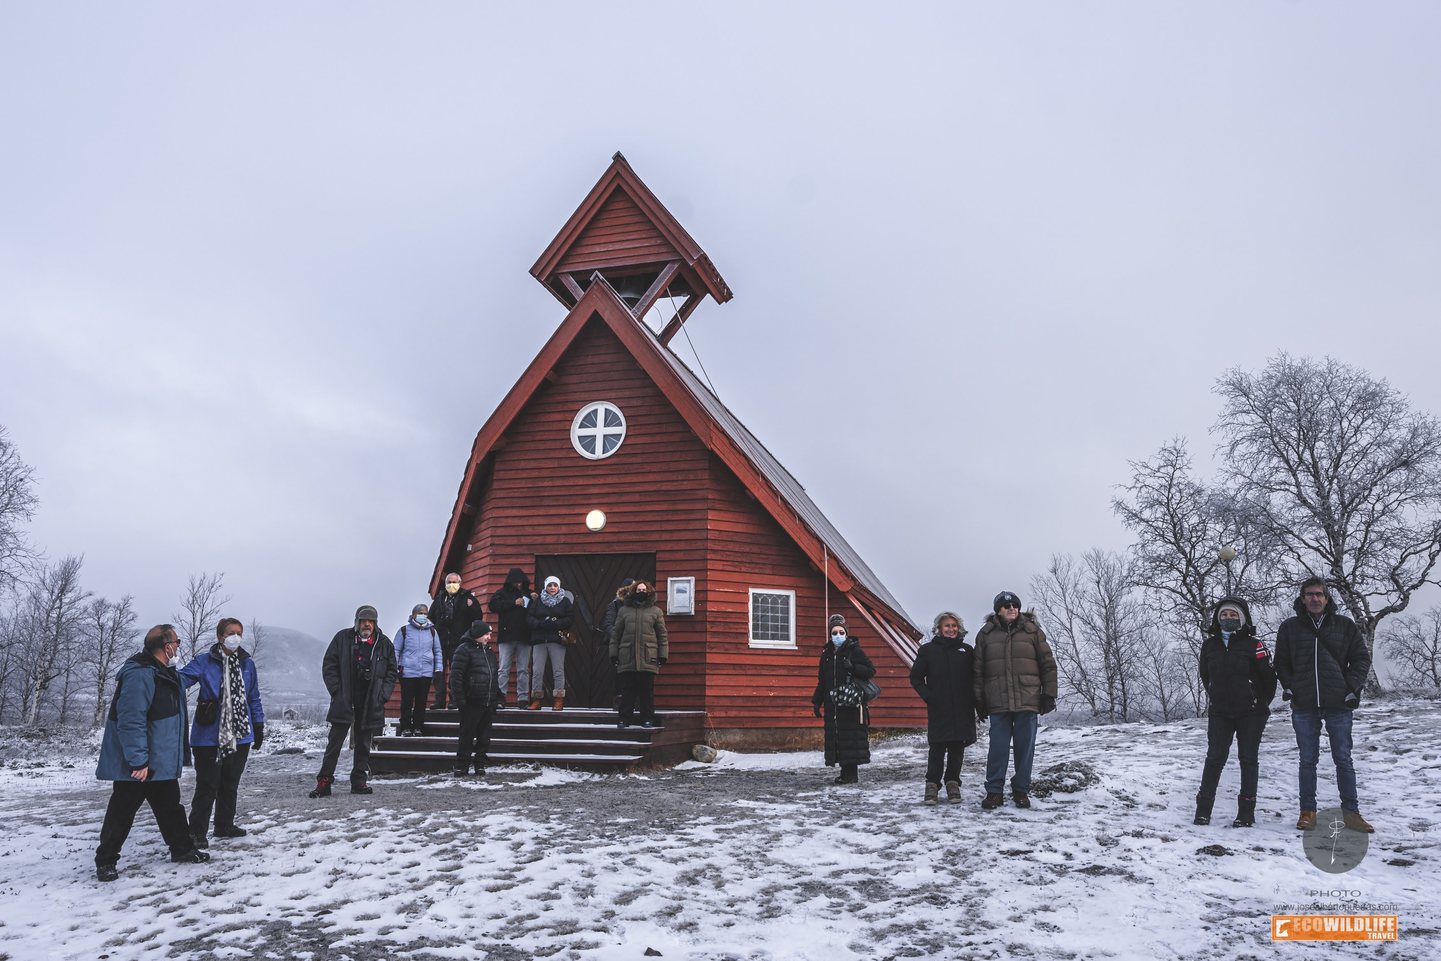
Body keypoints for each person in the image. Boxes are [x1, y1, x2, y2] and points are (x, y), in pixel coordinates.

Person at [95, 624, 209, 881]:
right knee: (122, 810)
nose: (178, 646)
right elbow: (131, 720)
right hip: (141, 762)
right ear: (166, 646)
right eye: (177, 642)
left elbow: (183, 683)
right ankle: (106, 860)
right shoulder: (140, 675)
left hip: (160, 759)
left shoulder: (163, 672)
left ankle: (182, 849)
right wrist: (138, 761)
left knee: (170, 807)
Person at [1274, 577, 1375, 833]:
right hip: (1304, 704)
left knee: (1343, 758)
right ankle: (1307, 811)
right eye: (1309, 594)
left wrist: (1350, 687)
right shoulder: (1290, 627)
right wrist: (1290, 686)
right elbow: (1281, 662)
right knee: (1308, 759)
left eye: (1319, 594)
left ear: (1327, 599)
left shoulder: (1344, 625)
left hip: (1338, 704)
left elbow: (1361, 659)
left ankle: (1351, 813)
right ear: (1302, 599)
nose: (1315, 599)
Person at [178, 617, 266, 848]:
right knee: (207, 785)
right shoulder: (204, 661)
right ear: (220, 636)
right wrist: (164, 672)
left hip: (240, 734)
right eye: (230, 633)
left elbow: (253, 697)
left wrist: (258, 725)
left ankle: (224, 825)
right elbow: (180, 680)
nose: (235, 637)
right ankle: (196, 832)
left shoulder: (247, 664)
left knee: (230, 783)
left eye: (239, 633)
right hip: (209, 735)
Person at [1193, 598, 1276, 827]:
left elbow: (1269, 678)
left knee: (1248, 759)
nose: (1228, 618)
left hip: (1251, 713)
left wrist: (1258, 701)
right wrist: (1216, 695)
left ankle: (1246, 814)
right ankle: (1203, 811)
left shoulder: (1255, 645)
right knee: (1214, 759)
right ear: (1217, 618)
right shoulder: (1209, 646)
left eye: (1233, 615)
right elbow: (1206, 676)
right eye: (1224, 614)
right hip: (1220, 712)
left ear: (1242, 618)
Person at [973, 591, 1057, 810]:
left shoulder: (1032, 631)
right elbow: (977, 670)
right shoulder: (986, 634)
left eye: (1014, 605)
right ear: (998, 611)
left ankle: (1021, 790)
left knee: (1025, 748)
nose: (1011, 608)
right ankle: (994, 792)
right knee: (997, 749)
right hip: (997, 700)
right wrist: (979, 700)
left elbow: (1048, 664)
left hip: (1027, 698)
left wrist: (1049, 694)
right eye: (1006, 606)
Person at [310, 605, 397, 798]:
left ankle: (359, 782)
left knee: (363, 744)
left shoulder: (384, 644)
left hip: (370, 702)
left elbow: (392, 672)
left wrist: (382, 695)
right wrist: (336, 691)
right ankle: (324, 782)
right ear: (357, 622)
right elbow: (329, 665)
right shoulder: (342, 638)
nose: (367, 624)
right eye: (363, 621)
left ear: (375, 623)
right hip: (345, 699)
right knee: (334, 743)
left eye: (371, 621)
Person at [909, 611, 978, 805]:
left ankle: (952, 782)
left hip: (962, 707)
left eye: (954, 626)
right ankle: (932, 784)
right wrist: (929, 697)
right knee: (937, 748)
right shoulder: (928, 650)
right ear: (939, 628)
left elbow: (975, 678)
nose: (951, 629)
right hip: (939, 707)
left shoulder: (966, 651)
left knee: (957, 748)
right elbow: (915, 678)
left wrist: (976, 702)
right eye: (947, 626)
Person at [811, 614, 876, 784]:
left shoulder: (854, 650)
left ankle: (851, 774)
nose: (838, 635)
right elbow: (822, 681)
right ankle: (845, 773)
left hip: (850, 702)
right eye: (834, 632)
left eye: (841, 632)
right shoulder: (826, 655)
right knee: (839, 738)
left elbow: (870, 671)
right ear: (830, 634)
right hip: (833, 704)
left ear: (846, 633)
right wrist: (816, 701)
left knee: (851, 737)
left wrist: (853, 667)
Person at [610, 580, 668, 728]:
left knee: (646, 691)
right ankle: (624, 719)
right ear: (633, 591)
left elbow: (662, 635)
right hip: (627, 655)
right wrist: (614, 654)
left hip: (648, 656)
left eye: (644, 590)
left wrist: (663, 655)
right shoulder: (624, 611)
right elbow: (616, 634)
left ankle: (647, 719)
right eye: (638, 590)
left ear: (649, 592)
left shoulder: (656, 611)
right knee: (627, 691)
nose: (641, 592)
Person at [450, 621, 501, 776]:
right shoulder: (463, 650)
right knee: (467, 736)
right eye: (486, 634)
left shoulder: (489, 652)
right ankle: (461, 765)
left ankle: (480, 764)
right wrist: (460, 700)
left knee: (484, 737)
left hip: (487, 701)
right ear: (478, 634)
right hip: (471, 701)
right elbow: (456, 677)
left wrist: (497, 697)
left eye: (490, 634)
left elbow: (493, 676)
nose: (489, 637)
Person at [429, 572, 482, 709]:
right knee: (438, 673)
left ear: (460, 583)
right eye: (449, 582)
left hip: (458, 642)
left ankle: (454, 700)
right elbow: (431, 618)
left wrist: (472, 606)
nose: (452, 585)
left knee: (456, 673)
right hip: (440, 642)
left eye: (454, 582)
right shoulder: (439, 599)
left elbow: (478, 617)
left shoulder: (467, 598)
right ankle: (439, 700)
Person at [489, 567, 535, 709]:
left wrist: (535, 600)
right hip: (507, 636)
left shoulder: (529, 594)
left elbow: (535, 611)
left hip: (524, 636)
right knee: (504, 668)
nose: (518, 584)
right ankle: (500, 698)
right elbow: (493, 606)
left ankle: (523, 699)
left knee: (523, 670)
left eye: (520, 581)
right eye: (516, 581)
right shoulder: (502, 593)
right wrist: (513, 603)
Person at [527, 576, 574, 711]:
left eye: (555, 585)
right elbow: (529, 617)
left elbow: (570, 618)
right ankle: (536, 700)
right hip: (539, 640)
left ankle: (559, 699)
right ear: (545, 587)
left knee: (558, 671)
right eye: (549, 585)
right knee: (537, 671)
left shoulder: (565, 601)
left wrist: (555, 624)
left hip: (556, 640)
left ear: (558, 586)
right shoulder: (538, 601)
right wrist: (539, 624)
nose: (552, 587)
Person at [394, 603, 442, 735]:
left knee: (421, 702)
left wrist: (438, 668)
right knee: (407, 701)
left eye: (425, 613)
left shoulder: (432, 632)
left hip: (425, 673)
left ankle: (418, 726)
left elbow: (437, 651)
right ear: (413, 615)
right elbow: (396, 650)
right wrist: (395, 667)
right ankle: (405, 727)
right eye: (420, 613)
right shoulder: (404, 631)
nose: (423, 615)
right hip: (407, 673)